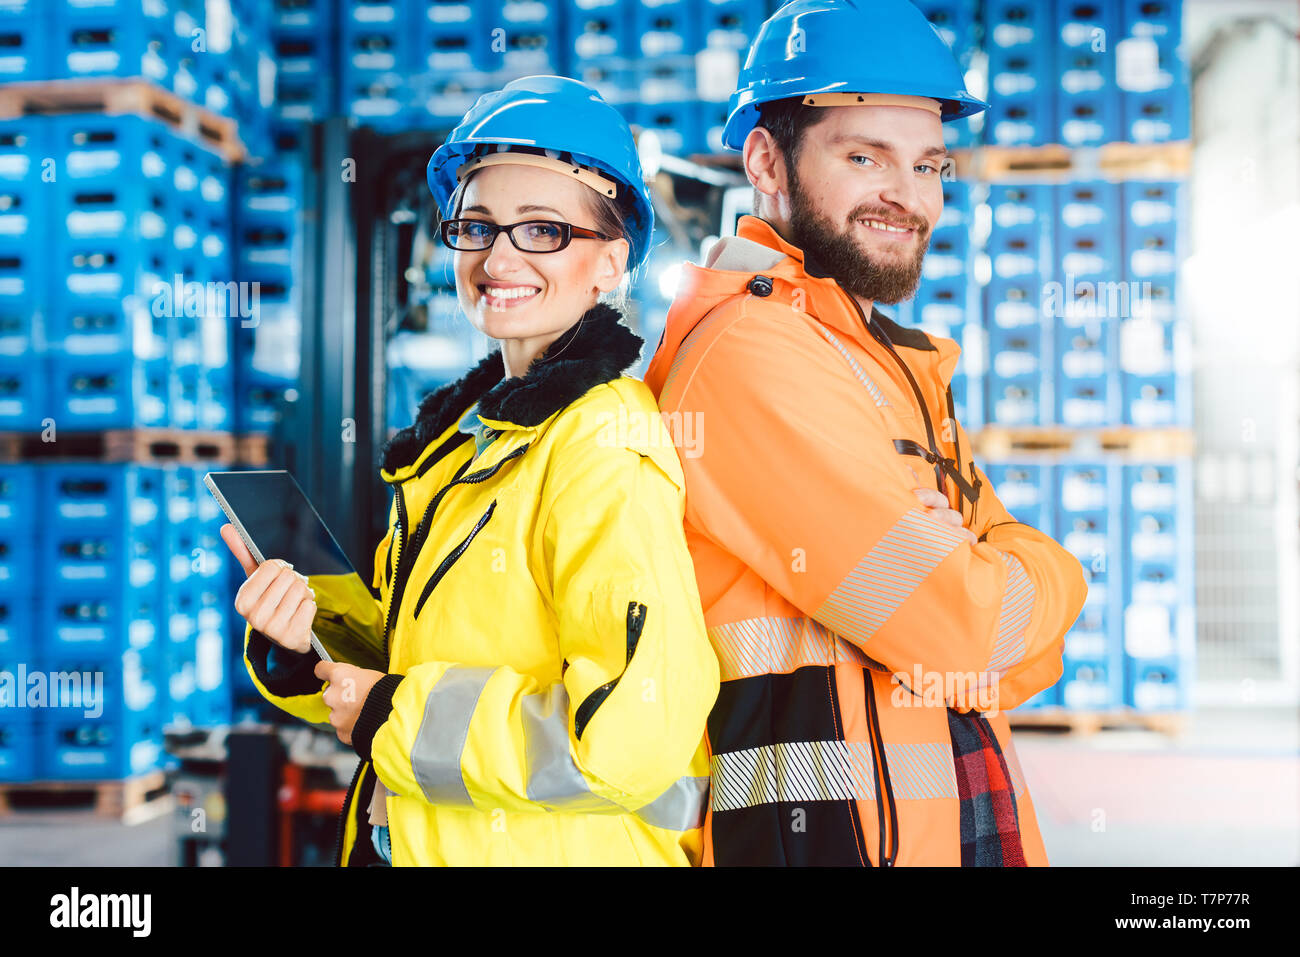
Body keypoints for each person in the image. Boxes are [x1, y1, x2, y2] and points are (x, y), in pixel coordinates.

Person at [222, 75, 719, 866]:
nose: (499, 256)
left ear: (610, 262)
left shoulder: (602, 439)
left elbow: (629, 732)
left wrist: (394, 713)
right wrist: (302, 639)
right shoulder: (469, 440)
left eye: (544, 231)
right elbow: (419, 665)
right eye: (477, 226)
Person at [644, 0, 1088, 866]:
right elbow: (966, 632)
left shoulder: (884, 362)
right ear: (766, 160)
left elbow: (1023, 662)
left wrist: (977, 599)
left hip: (938, 830)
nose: (908, 196)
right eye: (864, 158)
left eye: (929, 165)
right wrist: (1046, 571)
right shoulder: (750, 354)